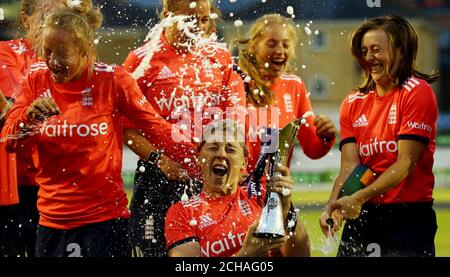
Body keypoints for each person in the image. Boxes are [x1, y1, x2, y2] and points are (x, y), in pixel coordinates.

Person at [1, 3, 199, 257]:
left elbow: (156, 128)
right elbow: (8, 139)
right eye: (47, 52)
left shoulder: (113, 80)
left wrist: (197, 161)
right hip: (52, 221)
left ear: (86, 51)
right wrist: (27, 118)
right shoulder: (36, 78)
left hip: (105, 221)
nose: (52, 62)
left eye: (62, 54)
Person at [122, 0, 245, 257]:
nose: (198, 27)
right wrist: (160, 160)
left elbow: (231, 125)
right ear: (167, 15)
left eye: (204, 20)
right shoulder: (142, 60)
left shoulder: (219, 57)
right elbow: (126, 129)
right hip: (157, 178)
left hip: (207, 181)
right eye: (190, 19)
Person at [319, 15, 439, 257]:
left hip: (408, 218)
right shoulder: (352, 102)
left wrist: (358, 197)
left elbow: (405, 163)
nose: (369, 58)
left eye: (376, 49)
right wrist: (334, 206)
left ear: (401, 52)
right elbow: (350, 168)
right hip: (363, 213)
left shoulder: (417, 92)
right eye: (364, 51)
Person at [165, 119, 310, 257]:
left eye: (231, 149)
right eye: (213, 147)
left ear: (244, 163)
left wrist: (285, 207)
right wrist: (246, 254)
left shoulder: (262, 196)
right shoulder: (182, 212)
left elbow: (302, 255)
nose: (221, 154)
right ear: (198, 158)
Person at [0, 0, 67, 257]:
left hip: (59, 186)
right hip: (17, 187)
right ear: (26, 19)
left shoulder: (71, 57)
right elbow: (16, 103)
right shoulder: (9, 51)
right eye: (46, 12)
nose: (55, 20)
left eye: (61, 13)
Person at [233, 14, 337, 176]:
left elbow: (312, 148)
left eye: (286, 45)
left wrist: (326, 137)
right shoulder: (236, 82)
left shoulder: (294, 86)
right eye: (271, 44)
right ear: (254, 46)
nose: (280, 51)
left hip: (275, 189)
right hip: (236, 189)